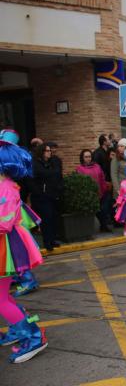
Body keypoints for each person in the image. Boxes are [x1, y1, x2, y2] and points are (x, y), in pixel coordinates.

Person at [0, 129, 48, 363]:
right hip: (4, 245)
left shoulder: (6, 188)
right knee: (2, 297)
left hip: (4, 246)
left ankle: (33, 334)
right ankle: (23, 329)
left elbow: (4, 223)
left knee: (0, 298)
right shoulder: (5, 186)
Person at [30, 143, 63, 251]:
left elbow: (57, 174)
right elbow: (37, 178)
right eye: (47, 151)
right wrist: (40, 192)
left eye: (50, 150)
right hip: (42, 197)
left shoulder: (51, 162)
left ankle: (52, 240)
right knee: (46, 219)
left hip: (52, 194)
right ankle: (47, 242)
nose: (50, 152)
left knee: (53, 217)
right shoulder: (36, 164)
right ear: (42, 152)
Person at [76, 149, 111, 232]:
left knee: (104, 210)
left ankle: (104, 226)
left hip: (101, 192)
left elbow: (102, 178)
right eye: (86, 157)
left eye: (89, 156)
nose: (88, 158)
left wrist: (104, 189)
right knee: (96, 211)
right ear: (82, 158)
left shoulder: (97, 166)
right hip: (89, 195)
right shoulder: (80, 169)